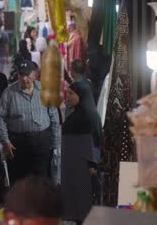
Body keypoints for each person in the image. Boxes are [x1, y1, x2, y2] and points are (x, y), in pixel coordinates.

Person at [0, 60, 60, 184]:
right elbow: (0, 118)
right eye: (21, 75)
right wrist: (5, 141)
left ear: (34, 74)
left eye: (27, 74)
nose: (25, 78)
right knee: (19, 184)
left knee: (42, 183)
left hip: (42, 144)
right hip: (17, 146)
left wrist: (56, 145)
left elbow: (54, 118)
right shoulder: (9, 93)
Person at [61, 82, 100, 225]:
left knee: (83, 205)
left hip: (84, 167)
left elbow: (94, 141)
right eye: (67, 93)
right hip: (73, 165)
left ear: (81, 95)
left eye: (71, 93)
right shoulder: (78, 113)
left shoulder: (88, 115)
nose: (68, 96)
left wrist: (92, 164)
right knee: (76, 204)